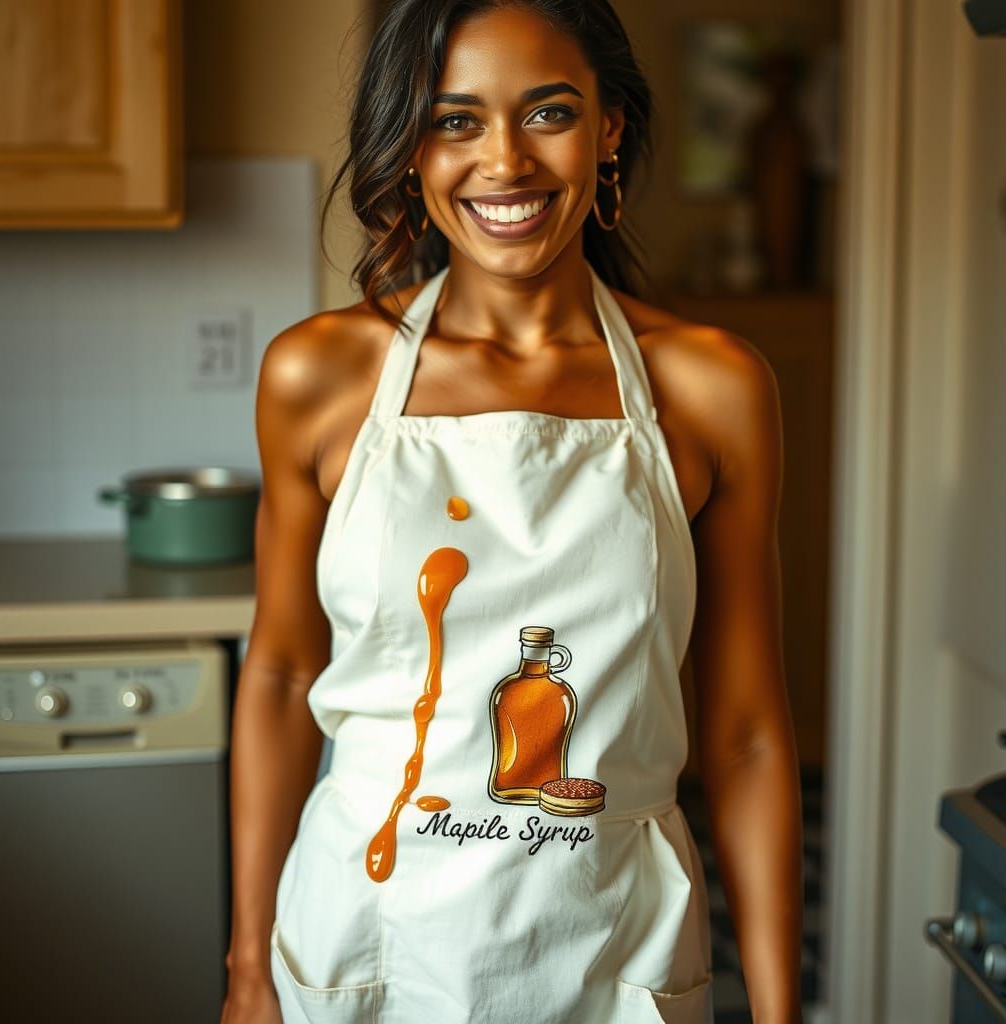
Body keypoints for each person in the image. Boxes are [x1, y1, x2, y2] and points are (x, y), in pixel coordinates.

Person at [220, 1, 803, 1022]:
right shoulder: (318, 376)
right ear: (411, 145)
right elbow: (280, 674)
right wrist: (247, 969)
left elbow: (748, 732)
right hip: (367, 934)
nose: (504, 161)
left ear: (608, 128)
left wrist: (779, 1008)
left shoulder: (713, 390)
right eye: (456, 120)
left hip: (613, 949)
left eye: (547, 112)